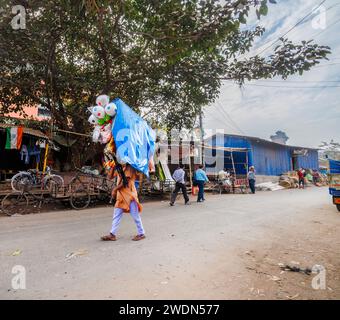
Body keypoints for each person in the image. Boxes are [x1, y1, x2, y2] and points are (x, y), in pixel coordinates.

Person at [101, 164, 145, 241]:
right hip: (121, 196)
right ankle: (112, 234)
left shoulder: (130, 167)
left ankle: (141, 233)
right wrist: (113, 167)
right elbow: (110, 177)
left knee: (135, 216)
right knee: (116, 215)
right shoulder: (120, 166)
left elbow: (126, 182)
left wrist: (115, 189)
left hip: (130, 196)